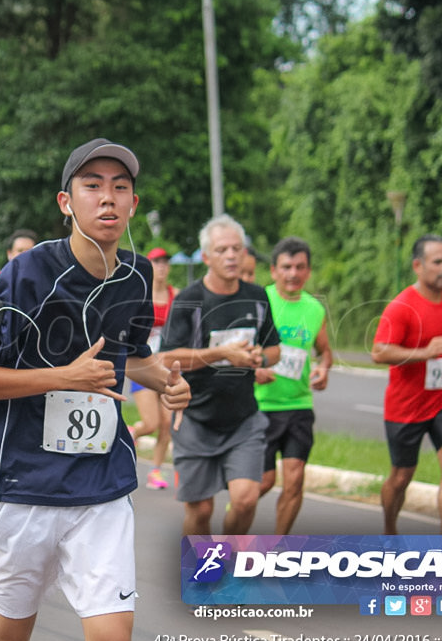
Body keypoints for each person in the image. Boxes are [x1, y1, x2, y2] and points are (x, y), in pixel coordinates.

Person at [0, 138, 190, 641]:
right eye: (93, 186)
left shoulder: (136, 276)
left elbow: (130, 357)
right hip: (24, 485)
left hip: (101, 484)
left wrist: (166, 382)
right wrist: (64, 377)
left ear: (132, 203)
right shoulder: (25, 275)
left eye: (120, 188)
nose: (108, 199)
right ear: (66, 203)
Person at [160, 214, 281, 536]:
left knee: (245, 500)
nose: (231, 255)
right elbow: (168, 357)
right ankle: (203, 570)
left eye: (236, 248)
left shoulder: (257, 296)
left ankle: (224, 556)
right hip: (195, 420)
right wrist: (223, 353)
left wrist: (259, 357)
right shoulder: (189, 300)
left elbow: (274, 350)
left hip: (242, 419)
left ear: (244, 253)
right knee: (200, 512)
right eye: (222, 249)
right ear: (207, 256)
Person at [371, 234, 442, 535]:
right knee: (402, 477)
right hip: (406, 406)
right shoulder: (402, 307)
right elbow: (379, 352)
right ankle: (389, 530)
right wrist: (426, 352)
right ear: (418, 266)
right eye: (437, 262)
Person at [253, 236, 333, 534]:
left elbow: (324, 351)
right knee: (263, 481)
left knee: (295, 479)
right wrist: (254, 371)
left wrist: (324, 369)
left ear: (308, 271)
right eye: (287, 267)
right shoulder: (260, 301)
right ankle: (237, 512)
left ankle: (277, 546)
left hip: (299, 405)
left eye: (300, 267)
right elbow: (236, 348)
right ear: (274, 270)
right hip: (261, 405)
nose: (293, 274)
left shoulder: (314, 309)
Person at [129, 246, 177, 491]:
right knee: (151, 423)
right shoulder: (140, 295)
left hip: (166, 368)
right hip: (144, 367)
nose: (161, 267)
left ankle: (156, 471)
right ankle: (131, 433)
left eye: (165, 263)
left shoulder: (175, 295)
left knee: (167, 423)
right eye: (157, 263)